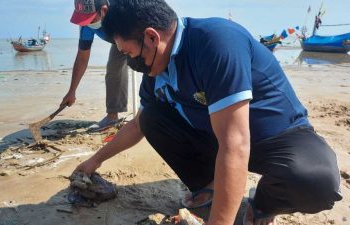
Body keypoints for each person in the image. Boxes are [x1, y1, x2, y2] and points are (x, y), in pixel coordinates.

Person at [73, 0, 343, 224]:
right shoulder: (155, 68)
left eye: (129, 53)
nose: (131, 63)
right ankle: (209, 184)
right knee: (151, 116)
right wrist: (95, 161)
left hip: (278, 136)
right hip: (218, 133)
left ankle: (263, 204)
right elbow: (137, 126)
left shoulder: (215, 42)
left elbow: (235, 144)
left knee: (317, 183)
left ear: (152, 37)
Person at [61, 0, 129, 130]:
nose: (87, 23)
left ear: (104, 10)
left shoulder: (121, 10)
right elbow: (82, 58)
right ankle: (112, 117)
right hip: (117, 41)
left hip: (136, 32)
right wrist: (72, 91)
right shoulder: (86, 26)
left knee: (149, 67)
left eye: (91, 20)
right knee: (113, 70)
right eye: (84, 20)